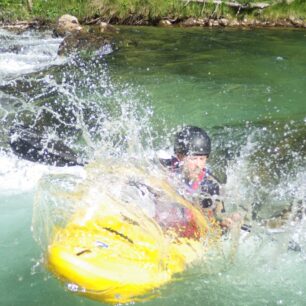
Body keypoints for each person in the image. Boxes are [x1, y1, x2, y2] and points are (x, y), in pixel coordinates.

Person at [160, 125, 241, 230]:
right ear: (180, 156)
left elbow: (218, 217)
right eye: (193, 159)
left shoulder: (211, 187)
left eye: (202, 159)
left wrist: (224, 222)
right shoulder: (164, 167)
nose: (198, 165)